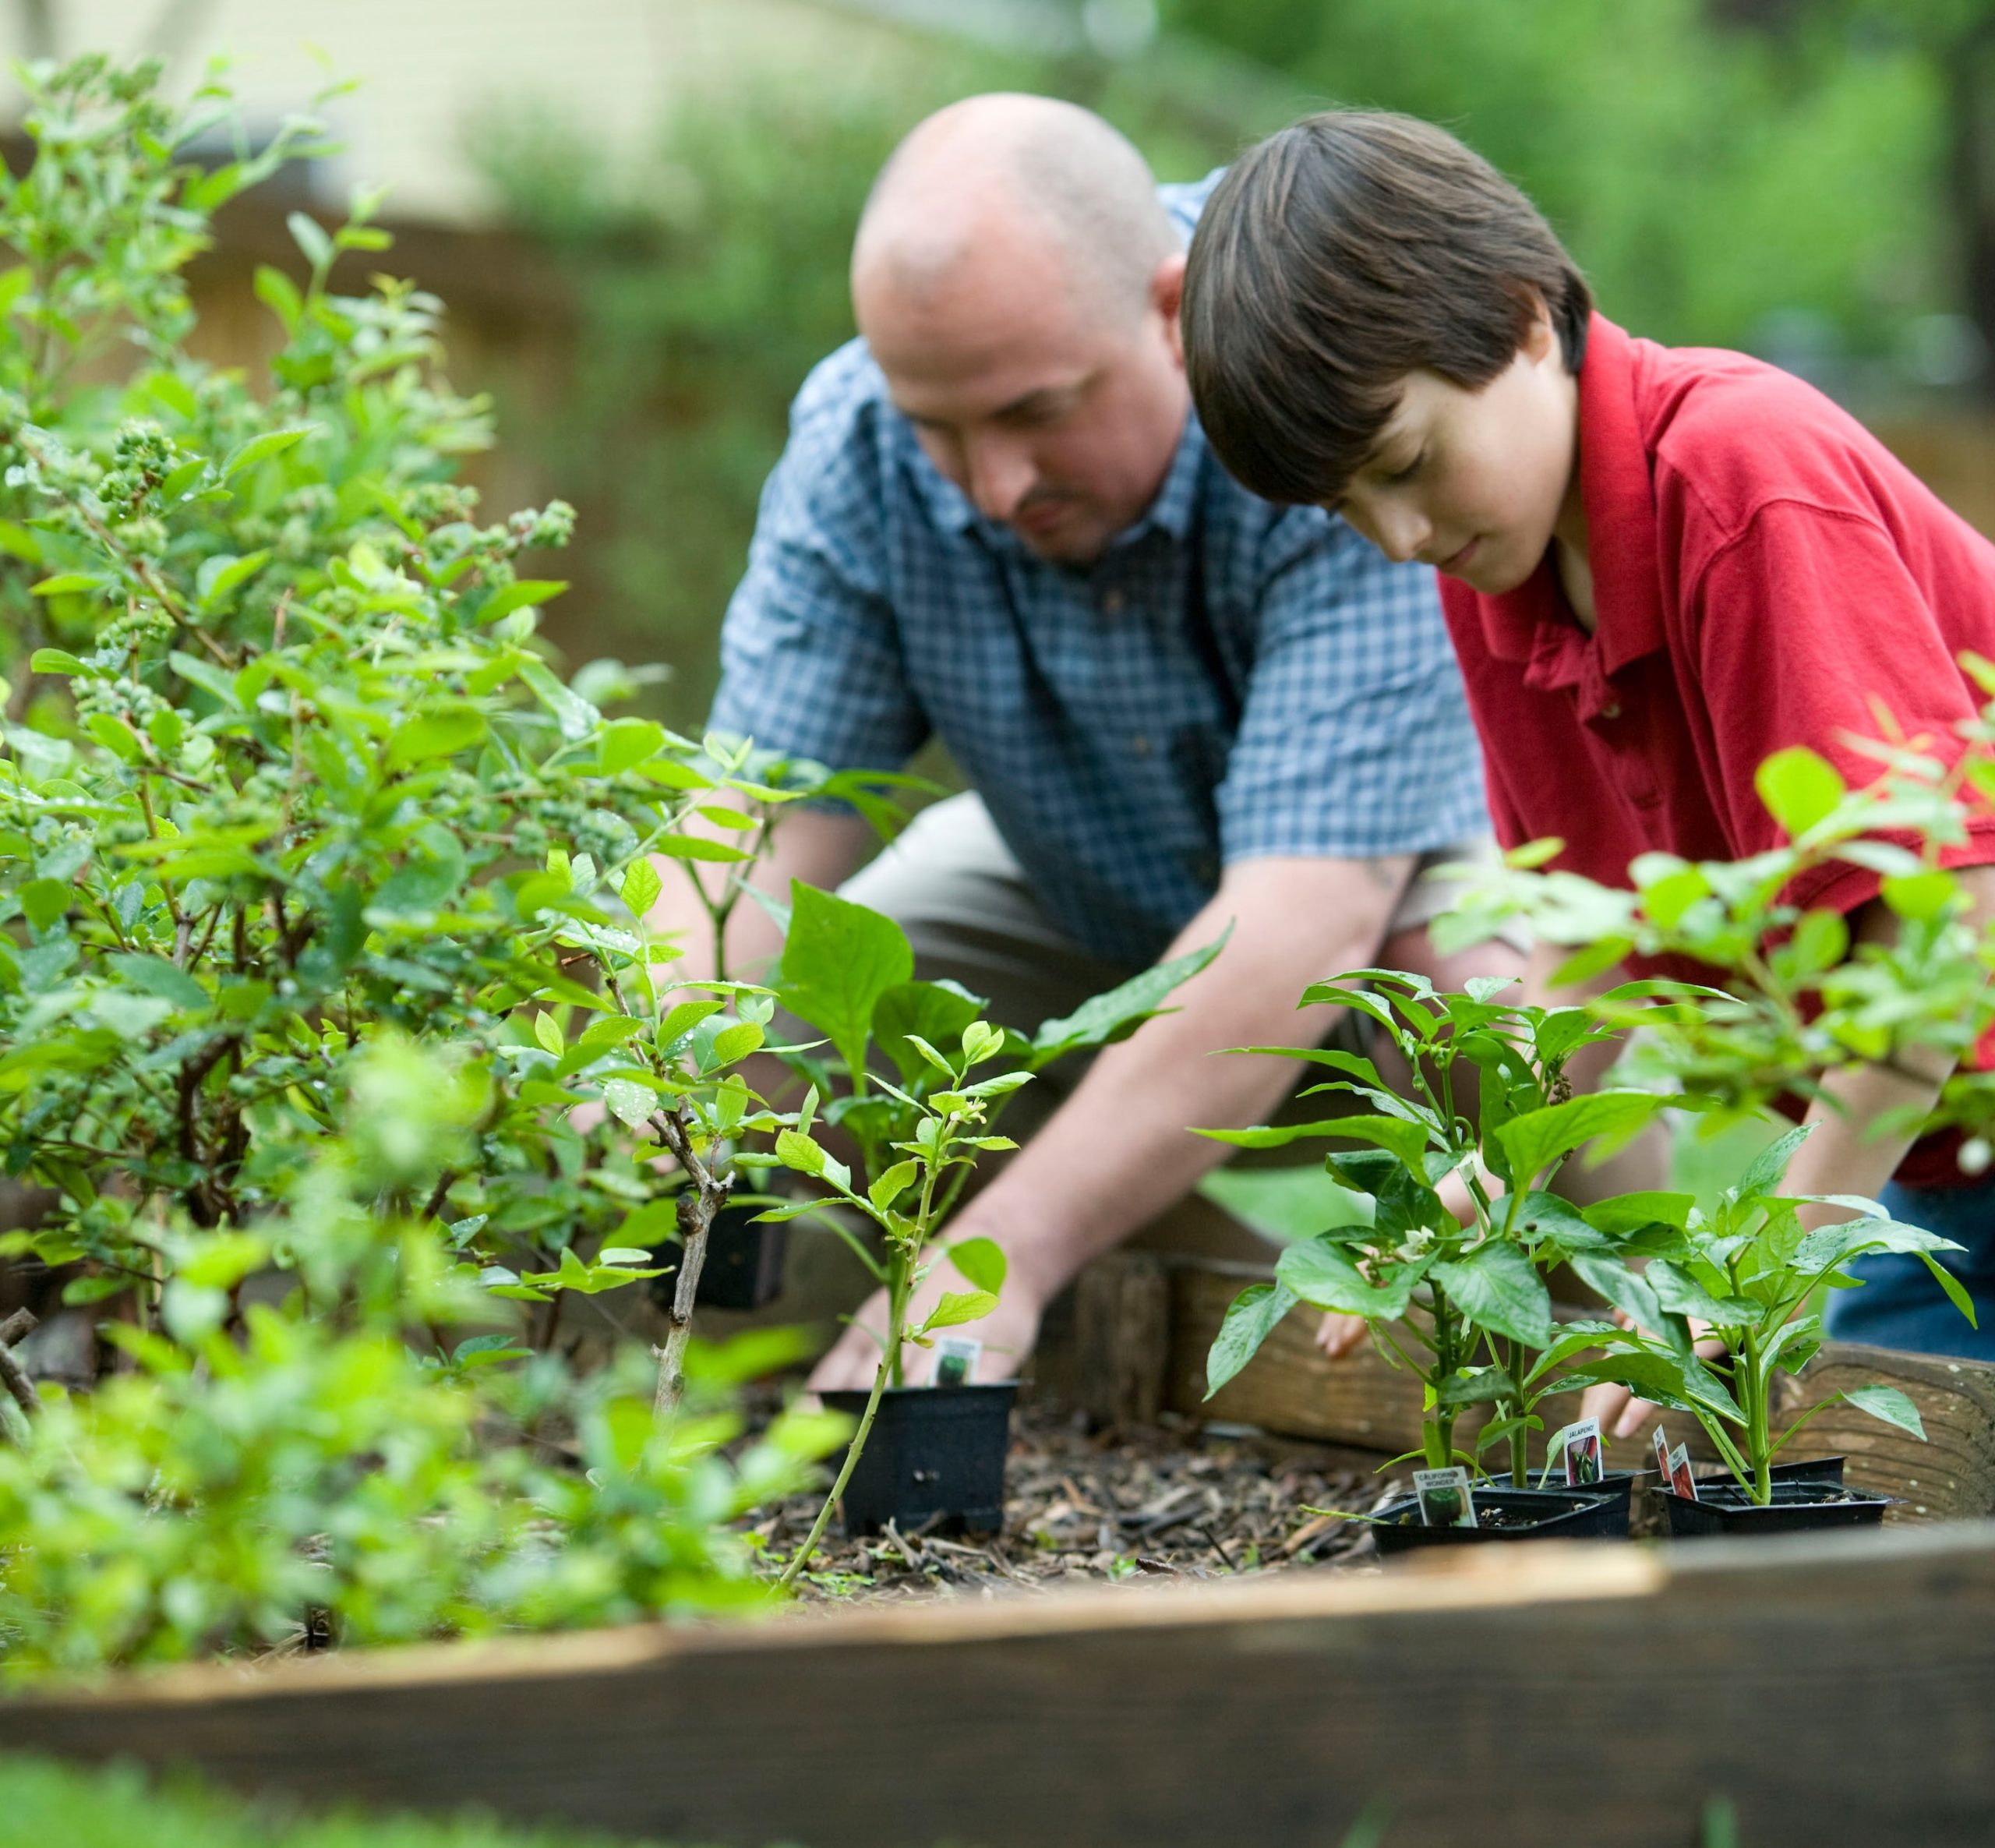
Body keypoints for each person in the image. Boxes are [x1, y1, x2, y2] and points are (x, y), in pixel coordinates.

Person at [644, 95, 1509, 1393]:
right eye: (942, 428)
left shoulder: (1315, 374)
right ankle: (1231, 1341)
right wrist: (644, 1071)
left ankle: (1586, 1363)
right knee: (821, 1009)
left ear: (1170, 309)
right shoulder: (860, 444)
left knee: (1506, 1013)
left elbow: (1306, 918)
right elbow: (746, 836)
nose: (993, 485)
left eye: (1037, 412)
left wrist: (1002, 1252)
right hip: (1079, 889)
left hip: (1387, 892)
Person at [1178, 108, 1995, 1423]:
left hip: (1939, 1110)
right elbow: (1587, 952)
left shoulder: (1740, 483)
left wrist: (1749, 1273)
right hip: (1943, 1168)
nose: (1396, 536)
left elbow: (1944, 943)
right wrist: (1479, 1187)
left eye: (1405, 464)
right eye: (1345, 508)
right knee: (1865, 1511)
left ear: (1522, 319)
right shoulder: (1497, 569)